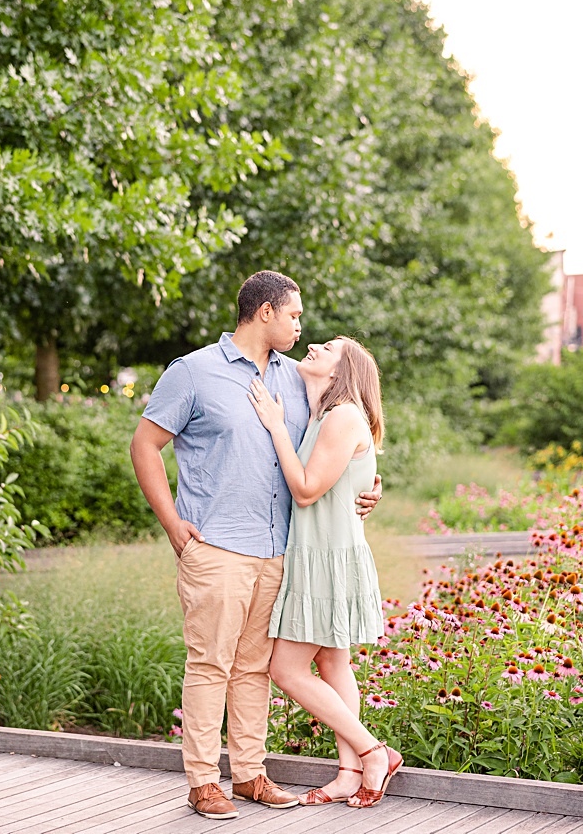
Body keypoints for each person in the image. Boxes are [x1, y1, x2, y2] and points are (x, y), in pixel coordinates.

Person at [130, 271, 382, 821]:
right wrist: (174, 526)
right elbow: (145, 445)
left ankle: (249, 774)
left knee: (253, 668)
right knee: (210, 664)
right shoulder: (193, 372)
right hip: (215, 546)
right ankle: (204, 783)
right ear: (264, 312)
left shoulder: (297, 378)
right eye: (293, 315)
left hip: (280, 551)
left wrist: (370, 486)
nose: (300, 325)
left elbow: (349, 432)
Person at [247, 336, 403, 808]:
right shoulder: (323, 414)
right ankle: (348, 774)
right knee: (333, 663)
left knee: (285, 669)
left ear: (343, 372)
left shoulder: (342, 416)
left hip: (327, 559)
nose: (312, 344)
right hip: (323, 553)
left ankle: (374, 753)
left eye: (329, 347)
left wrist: (275, 426)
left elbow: (308, 490)